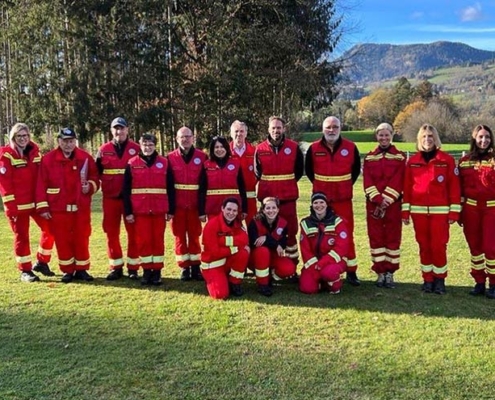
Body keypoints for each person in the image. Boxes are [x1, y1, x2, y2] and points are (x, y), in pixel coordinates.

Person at [402, 124, 461, 294]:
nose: (427, 140)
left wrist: (454, 211)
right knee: (423, 246)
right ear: (419, 140)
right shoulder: (412, 162)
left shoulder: (447, 160)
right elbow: (407, 188)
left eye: (430, 136)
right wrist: (405, 211)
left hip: (440, 212)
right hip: (418, 211)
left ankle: (440, 279)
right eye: (424, 137)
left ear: (436, 139)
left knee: (439, 246)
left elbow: (454, 187)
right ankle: (427, 279)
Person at [36, 128, 99, 283]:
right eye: (64, 141)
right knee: (62, 240)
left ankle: (82, 269)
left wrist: (90, 186)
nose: (68, 144)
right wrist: (43, 207)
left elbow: (95, 178)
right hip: (59, 208)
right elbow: (41, 184)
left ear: (75, 141)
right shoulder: (48, 159)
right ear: (59, 141)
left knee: (82, 238)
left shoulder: (85, 158)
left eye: (71, 141)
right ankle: (67, 270)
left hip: (80, 208)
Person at [305, 116, 361, 286]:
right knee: (320, 235)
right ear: (323, 129)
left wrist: (343, 187)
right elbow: (309, 172)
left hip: (342, 199)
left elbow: (355, 172)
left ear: (340, 128)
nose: (332, 130)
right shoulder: (314, 148)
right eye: (328, 127)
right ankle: (322, 269)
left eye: (335, 127)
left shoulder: (351, 147)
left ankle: (351, 271)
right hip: (321, 202)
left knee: (346, 233)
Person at [0, 123, 55, 282]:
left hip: (36, 203)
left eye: (25, 136)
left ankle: (42, 262)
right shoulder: (6, 156)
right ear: (13, 137)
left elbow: (43, 177)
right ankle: (25, 270)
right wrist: (10, 207)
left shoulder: (36, 153)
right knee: (22, 237)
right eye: (19, 136)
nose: (23, 139)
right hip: (17, 206)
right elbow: (4, 184)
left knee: (51, 229)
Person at [122, 133, 175, 286]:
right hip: (140, 211)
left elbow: (170, 188)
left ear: (155, 146)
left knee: (158, 240)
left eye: (151, 145)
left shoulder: (164, 163)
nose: (148, 148)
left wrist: (171, 210)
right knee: (143, 241)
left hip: (159, 210)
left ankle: (157, 272)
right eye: (145, 145)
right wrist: (128, 212)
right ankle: (146, 271)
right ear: (140, 145)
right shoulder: (132, 163)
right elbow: (126, 190)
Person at [254, 116, 304, 264]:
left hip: (288, 197)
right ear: (268, 129)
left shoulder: (294, 147)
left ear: (284, 129)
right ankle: (270, 263)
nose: (276, 131)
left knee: (290, 230)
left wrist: (285, 184)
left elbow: (299, 171)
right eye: (273, 128)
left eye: (279, 128)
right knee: (267, 230)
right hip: (267, 200)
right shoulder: (260, 149)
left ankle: (291, 263)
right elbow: (257, 172)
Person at [96, 117, 141, 281]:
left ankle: (133, 268)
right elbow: (96, 172)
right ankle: (115, 267)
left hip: (131, 200)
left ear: (127, 130)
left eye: (122, 128)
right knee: (111, 233)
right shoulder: (103, 150)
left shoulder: (137, 149)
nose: (119, 131)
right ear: (111, 130)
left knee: (134, 234)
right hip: (110, 199)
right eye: (116, 128)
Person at [363, 123, 406, 288]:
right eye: (381, 135)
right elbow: (367, 180)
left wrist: (386, 199)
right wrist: (378, 199)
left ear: (392, 135)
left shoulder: (400, 157)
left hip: (393, 204)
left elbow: (399, 179)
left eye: (387, 135)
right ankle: (380, 272)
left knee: (393, 237)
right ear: (376, 136)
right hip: (373, 205)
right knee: (376, 237)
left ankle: (390, 273)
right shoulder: (369, 157)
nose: (384, 138)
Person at [458, 124, 495, 298]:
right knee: (475, 247)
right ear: (474, 138)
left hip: (491, 209)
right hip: (470, 210)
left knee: (491, 248)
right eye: (480, 137)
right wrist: (459, 213)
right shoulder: (464, 162)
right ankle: (479, 281)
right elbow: (459, 189)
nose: (484, 140)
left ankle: (493, 283)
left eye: (487, 137)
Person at [168, 126, 207, 281]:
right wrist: (169, 208)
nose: (185, 139)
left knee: (195, 236)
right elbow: (168, 185)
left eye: (188, 136)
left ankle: (196, 267)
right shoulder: (170, 158)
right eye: (182, 137)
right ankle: (184, 267)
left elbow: (205, 185)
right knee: (179, 236)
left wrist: (202, 208)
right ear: (177, 139)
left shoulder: (202, 157)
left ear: (193, 138)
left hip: (195, 206)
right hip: (177, 206)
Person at [299, 192, 349, 295]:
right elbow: (305, 249)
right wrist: (314, 266)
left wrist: (323, 262)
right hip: (315, 263)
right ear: (312, 205)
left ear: (326, 204)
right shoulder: (305, 223)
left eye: (322, 202)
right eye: (315, 203)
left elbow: (342, 247)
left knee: (328, 272)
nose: (319, 205)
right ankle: (322, 282)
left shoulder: (337, 221)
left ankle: (335, 284)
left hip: (334, 261)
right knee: (308, 288)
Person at [200, 197, 250, 299]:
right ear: (222, 208)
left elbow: (244, 239)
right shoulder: (212, 225)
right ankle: (212, 277)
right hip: (213, 263)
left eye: (234, 210)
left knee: (244, 253)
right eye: (229, 209)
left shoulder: (237, 223)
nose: (231, 213)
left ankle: (234, 282)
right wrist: (234, 248)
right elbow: (215, 252)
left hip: (227, 260)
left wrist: (222, 241)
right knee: (220, 294)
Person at [248, 197, 296, 296]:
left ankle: (270, 276)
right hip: (256, 258)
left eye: (274, 208)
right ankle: (262, 284)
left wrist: (266, 239)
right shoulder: (255, 222)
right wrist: (274, 243)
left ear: (278, 209)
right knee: (263, 251)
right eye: (268, 208)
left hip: (273, 257)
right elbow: (254, 242)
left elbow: (282, 244)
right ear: (263, 210)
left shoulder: (283, 223)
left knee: (289, 268)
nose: (271, 211)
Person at [199, 136, 247, 221]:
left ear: (226, 148)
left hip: (232, 208)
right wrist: (201, 211)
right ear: (212, 149)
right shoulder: (206, 165)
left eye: (222, 146)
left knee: (233, 229)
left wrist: (244, 209)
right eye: (216, 147)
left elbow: (242, 188)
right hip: (213, 208)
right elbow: (202, 190)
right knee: (214, 229)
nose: (219, 149)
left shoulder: (236, 164)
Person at [230, 120, 257, 225]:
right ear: (231, 134)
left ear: (246, 133)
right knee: (232, 228)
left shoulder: (254, 152)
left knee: (253, 227)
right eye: (236, 131)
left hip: (250, 199)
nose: (239, 134)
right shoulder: (225, 152)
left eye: (242, 131)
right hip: (232, 198)